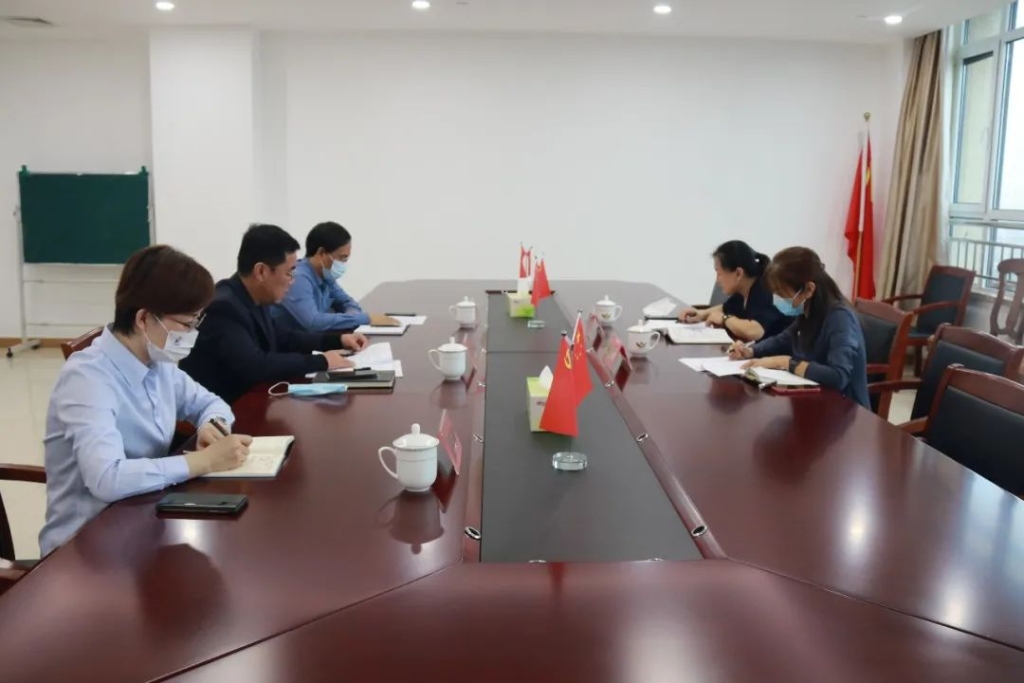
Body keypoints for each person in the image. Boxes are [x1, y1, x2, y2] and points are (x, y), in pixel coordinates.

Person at [39, 246, 253, 556]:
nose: (193, 333)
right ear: (144, 318)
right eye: (187, 323)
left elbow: (213, 404)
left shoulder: (157, 362)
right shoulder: (87, 378)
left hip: (145, 520)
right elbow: (107, 479)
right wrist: (203, 461)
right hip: (84, 548)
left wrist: (212, 426)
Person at [180, 224, 368, 405]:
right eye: (289, 273)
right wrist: (321, 361)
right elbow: (255, 365)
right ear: (261, 271)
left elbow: (283, 337)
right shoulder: (224, 308)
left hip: (252, 399)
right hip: (225, 411)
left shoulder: (253, 296)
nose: (292, 281)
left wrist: (338, 340)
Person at [728, 246, 870, 408]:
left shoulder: (840, 318)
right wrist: (750, 351)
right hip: (814, 404)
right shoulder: (808, 311)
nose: (776, 299)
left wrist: (785, 362)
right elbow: (784, 340)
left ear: (808, 289)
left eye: (781, 293)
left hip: (845, 411)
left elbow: (838, 377)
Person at [272, 221, 399, 332]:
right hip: (288, 348)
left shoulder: (325, 276)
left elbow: (347, 302)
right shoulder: (298, 278)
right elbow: (313, 322)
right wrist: (366, 318)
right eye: (342, 258)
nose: (343, 264)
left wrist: (352, 317)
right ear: (322, 253)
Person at [679, 240, 789, 341]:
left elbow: (755, 331)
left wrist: (725, 318)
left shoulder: (765, 289)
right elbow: (726, 307)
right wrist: (701, 314)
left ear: (738, 274)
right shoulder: (743, 291)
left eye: (719, 273)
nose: (717, 280)